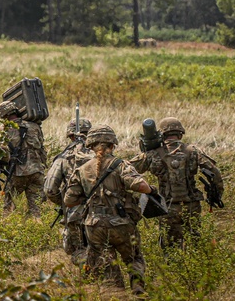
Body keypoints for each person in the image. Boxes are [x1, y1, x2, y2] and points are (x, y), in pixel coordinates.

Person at [64, 125, 152, 296]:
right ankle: (138, 288)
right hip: (122, 224)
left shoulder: (81, 170)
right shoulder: (121, 165)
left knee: (107, 263)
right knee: (133, 258)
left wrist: (89, 197)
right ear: (113, 145)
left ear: (90, 145)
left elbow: (69, 201)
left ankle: (115, 293)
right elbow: (141, 185)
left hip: (94, 226)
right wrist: (150, 191)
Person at [130, 116, 224, 248]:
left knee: (170, 249)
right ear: (180, 134)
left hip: (167, 207)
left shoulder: (152, 154)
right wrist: (217, 195)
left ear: (162, 135)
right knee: (195, 245)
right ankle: (196, 267)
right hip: (192, 207)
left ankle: (174, 268)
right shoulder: (194, 151)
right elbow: (215, 173)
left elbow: (127, 170)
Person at [43, 118, 93, 264]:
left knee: (79, 250)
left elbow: (50, 189)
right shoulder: (101, 155)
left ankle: (88, 279)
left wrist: (66, 202)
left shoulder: (63, 157)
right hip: (103, 211)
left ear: (70, 136)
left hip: (75, 213)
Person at [0, 101, 47, 216]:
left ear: (4, 116)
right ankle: (36, 227)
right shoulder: (34, 126)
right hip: (36, 172)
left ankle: (6, 229)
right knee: (36, 209)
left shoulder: (4, 130)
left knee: (8, 206)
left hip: (18, 173)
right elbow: (41, 148)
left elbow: (3, 154)